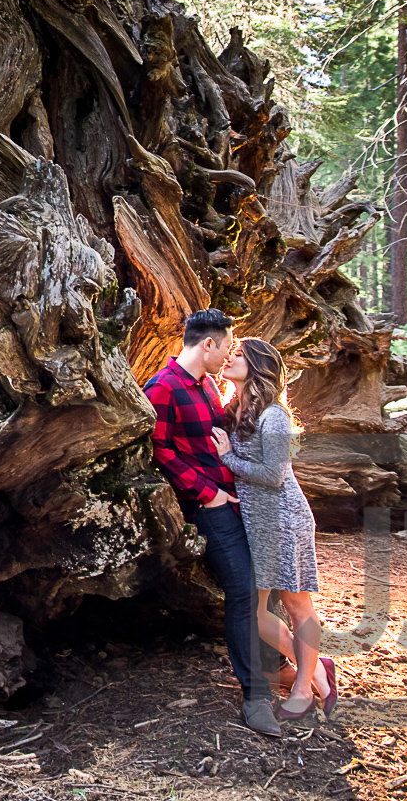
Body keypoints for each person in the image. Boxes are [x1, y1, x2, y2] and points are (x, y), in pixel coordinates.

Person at [146, 308, 280, 737]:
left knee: (263, 586)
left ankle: (280, 669)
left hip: (237, 500)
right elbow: (159, 451)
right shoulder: (162, 388)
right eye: (226, 347)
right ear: (208, 344)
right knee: (241, 590)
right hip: (208, 507)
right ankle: (256, 697)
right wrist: (208, 493)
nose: (227, 356)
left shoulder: (204, 386)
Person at [213, 337, 339, 723]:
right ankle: (319, 669)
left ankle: (303, 688)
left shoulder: (274, 416)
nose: (228, 358)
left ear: (256, 366)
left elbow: (274, 474)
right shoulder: (234, 409)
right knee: (252, 610)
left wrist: (227, 458)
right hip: (256, 523)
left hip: (285, 521)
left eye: (237, 354)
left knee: (297, 606)